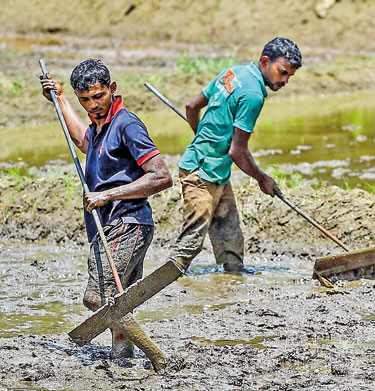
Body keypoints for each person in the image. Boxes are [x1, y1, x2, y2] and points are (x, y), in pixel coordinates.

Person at [40, 59, 173, 371]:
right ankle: (121, 359)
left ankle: (157, 356)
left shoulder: (127, 125)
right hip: (112, 224)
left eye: (98, 96)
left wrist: (107, 195)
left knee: (97, 298)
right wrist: (59, 99)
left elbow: (162, 176)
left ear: (112, 89)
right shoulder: (100, 127)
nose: (93, 105)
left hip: (127, 221)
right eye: (84, 100)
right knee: (118, 301)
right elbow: (84, 143)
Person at [171, 37, 301, 273]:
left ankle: (231, 280)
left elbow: (192, 107)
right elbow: (238, 151)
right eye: (282, 72)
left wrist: (203, 136)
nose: (284, 81)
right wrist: (263, 179)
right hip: (200, 174)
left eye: (289, 76)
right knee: (189, 244)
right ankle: (160, 288)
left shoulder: (233, 73)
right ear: (264, 61)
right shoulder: (253, 95)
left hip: (217, 172)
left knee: (230, 239)